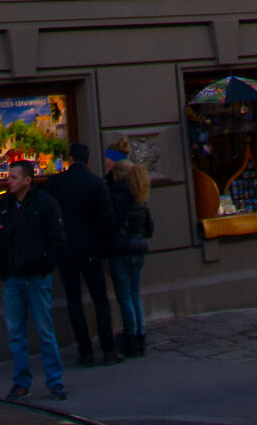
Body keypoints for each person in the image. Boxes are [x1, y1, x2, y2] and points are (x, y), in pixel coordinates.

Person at [0, 158, 66, 401]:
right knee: (16, 334)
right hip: (13, 278)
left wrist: (44, 267)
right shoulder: (5, 205)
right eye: (8, 177)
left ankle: (55, 382)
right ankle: (21, 383)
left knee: (45, 331)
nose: (8, 181)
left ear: (27, 181)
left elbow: (57, 240)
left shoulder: (45, 204)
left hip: (36, 278)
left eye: (13, 178)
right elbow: (7, 236)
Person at [48, 140, 120, 368]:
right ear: (88, 160)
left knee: (74, 301)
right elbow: (107, 219)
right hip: (91, 248)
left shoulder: (57, 183)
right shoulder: (96, 183)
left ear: (70, 159)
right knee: (100, 298)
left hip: (66, 249)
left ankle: (85, 351)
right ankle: (108, 349)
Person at [104, 146, 154, 357]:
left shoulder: (114, 195)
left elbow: (109, 222)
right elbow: (149, 228)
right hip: (139, 248)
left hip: (121, 249)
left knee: (124, 295)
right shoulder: (139, 196)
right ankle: (140, 336)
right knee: (135, 293)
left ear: (116, 174)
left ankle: (131, 338)